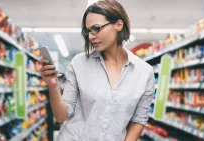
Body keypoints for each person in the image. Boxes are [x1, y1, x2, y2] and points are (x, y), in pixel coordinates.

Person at [39, 0, 155, 140]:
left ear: (119, 24)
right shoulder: (79, 63)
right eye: (87, 31)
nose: (91, 36)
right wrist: (53, 85)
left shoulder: (144, 72)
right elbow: (61, 116)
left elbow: (138, 120)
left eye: (96, 28)